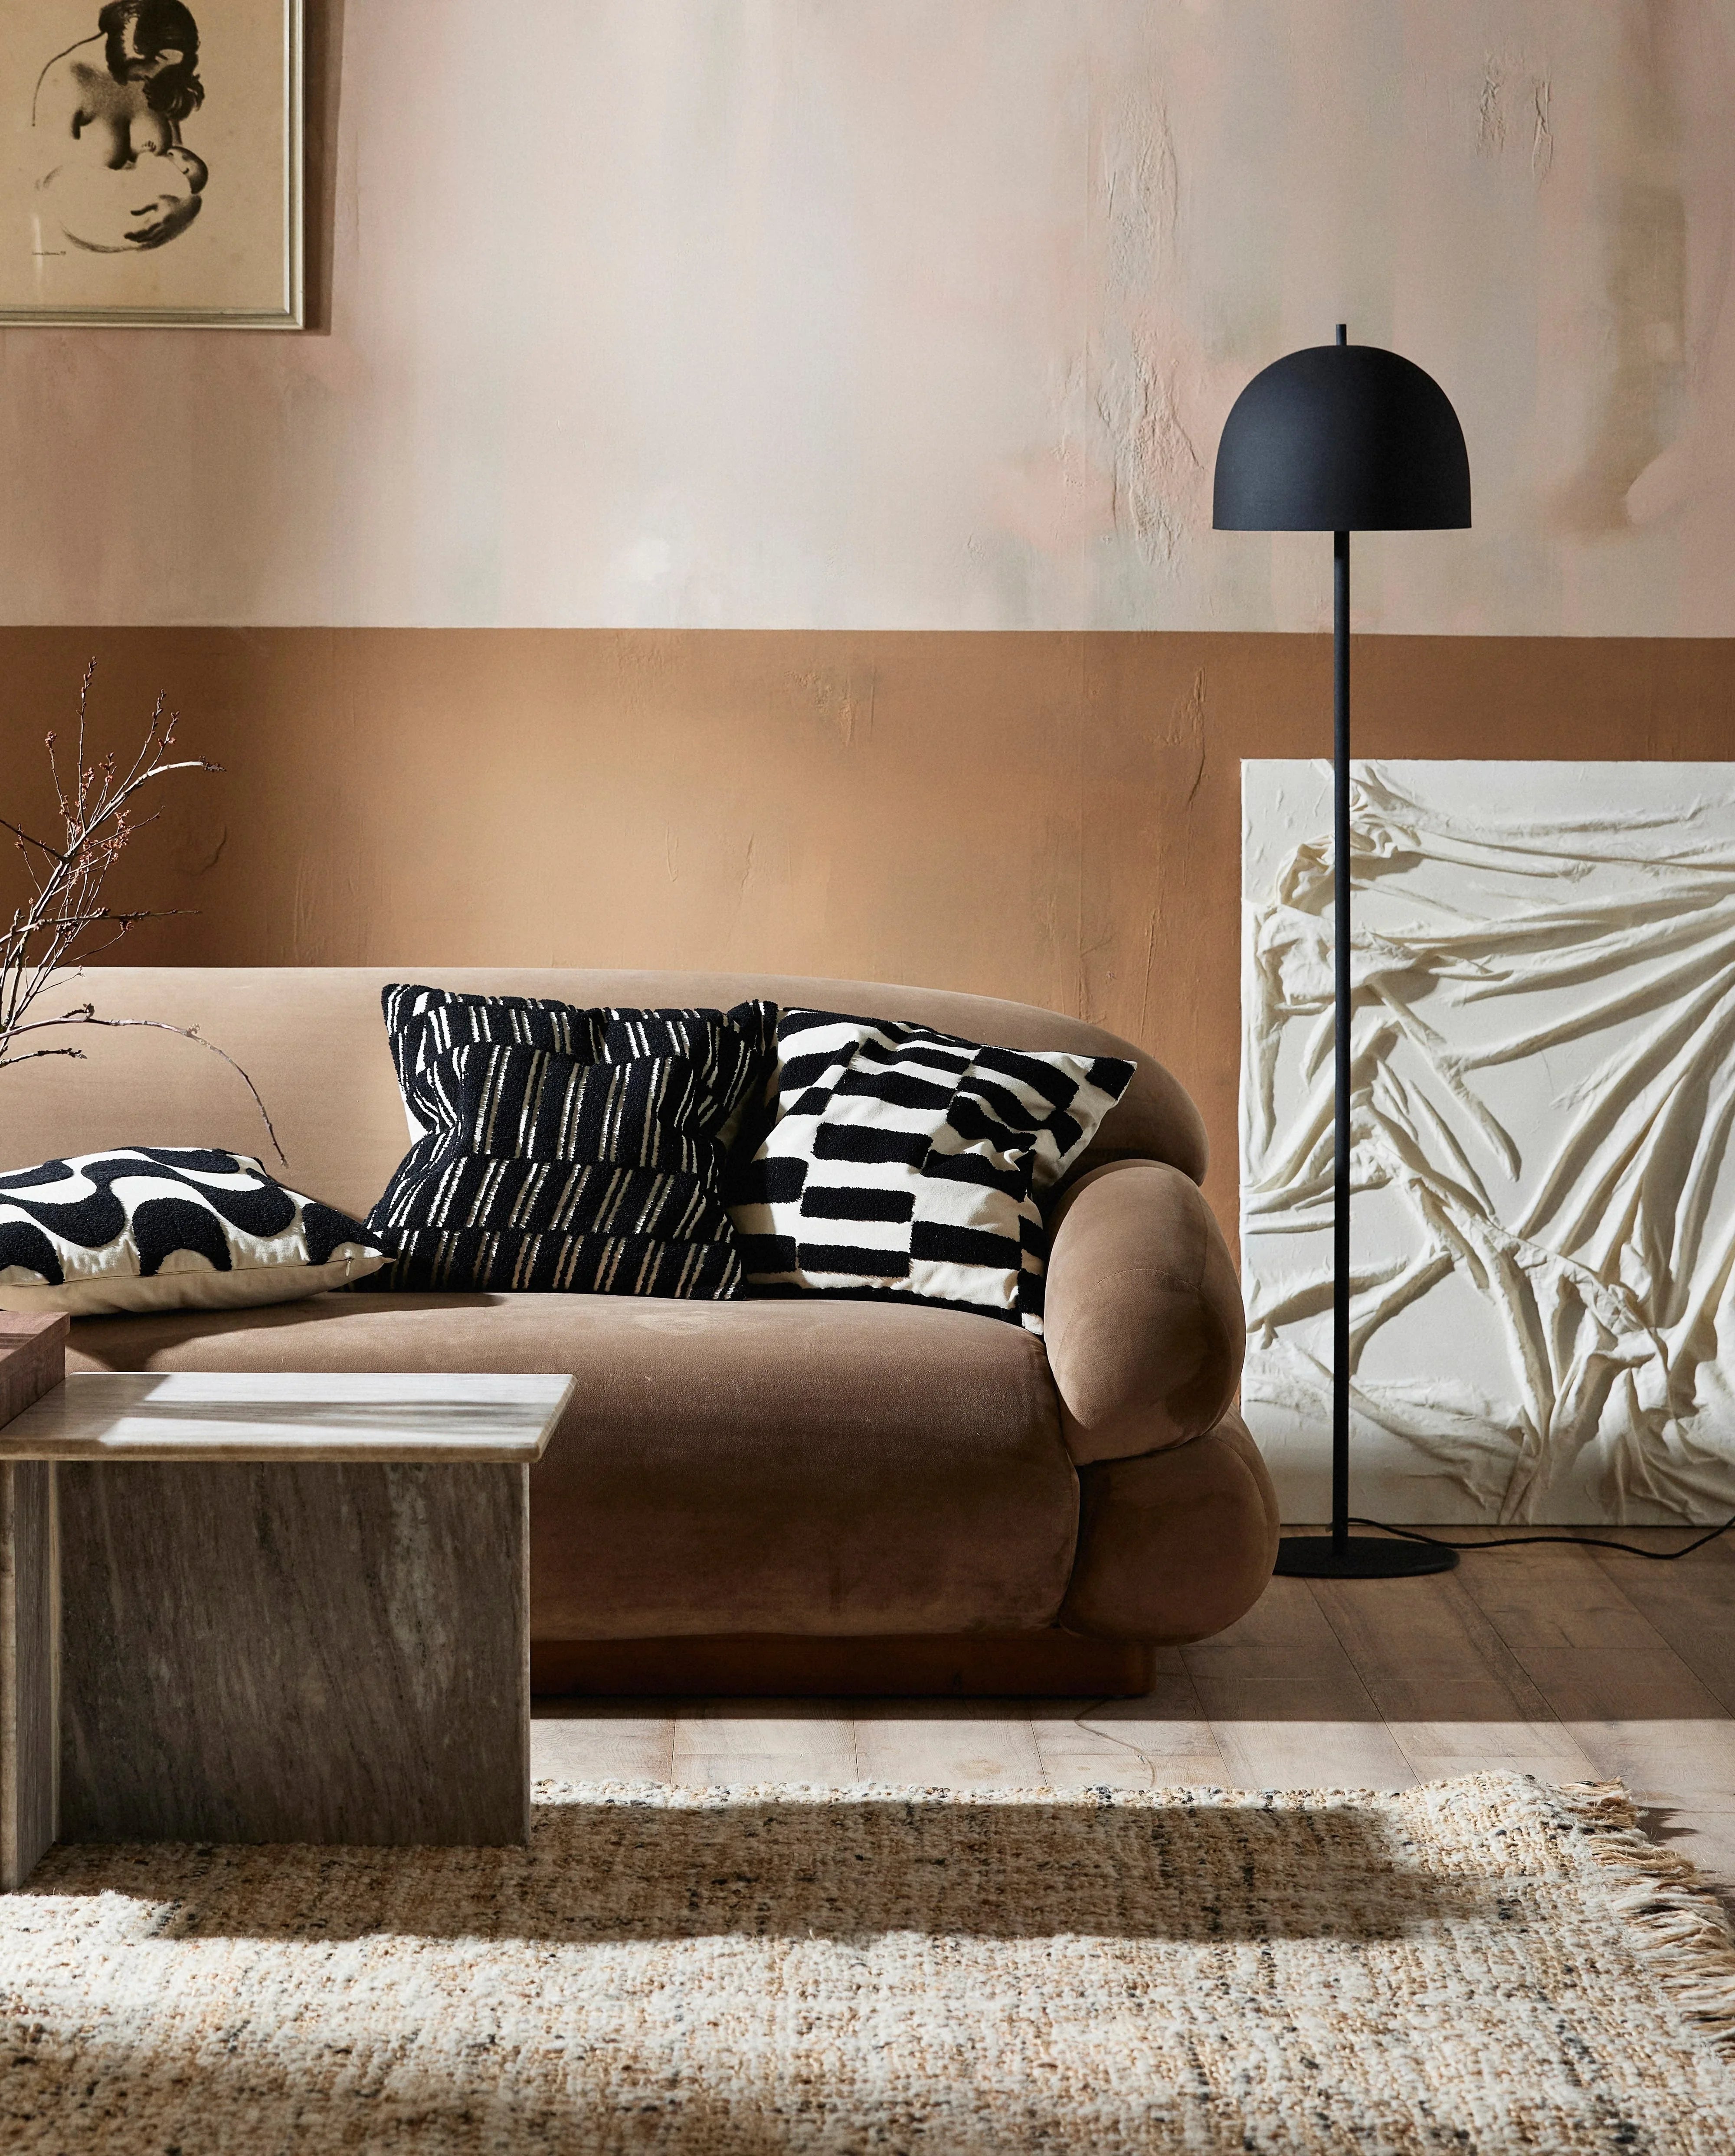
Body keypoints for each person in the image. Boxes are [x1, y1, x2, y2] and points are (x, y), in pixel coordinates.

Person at [31, 2, 207, 254]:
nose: (160, 71)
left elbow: (183, 164)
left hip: (166, 258)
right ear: (130, 45)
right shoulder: (70, 77)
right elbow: (40, 186)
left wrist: (186, 209)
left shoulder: (160, 80)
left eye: (170, 64)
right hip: (81, 257)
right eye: (157, 60)